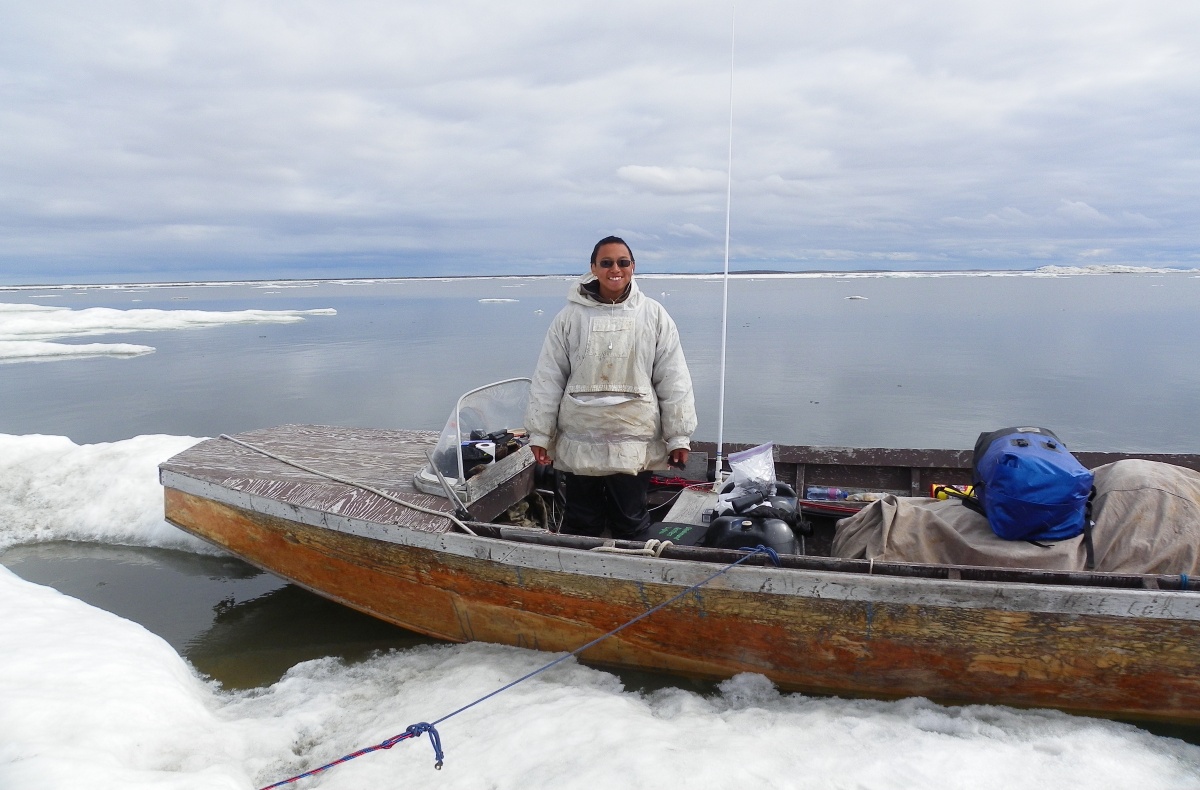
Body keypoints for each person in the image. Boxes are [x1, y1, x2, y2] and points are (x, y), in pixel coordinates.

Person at [524, 236, 697, 539]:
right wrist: (540, 433)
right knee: (581, 522)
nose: (615, 269)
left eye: (622, 262)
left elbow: (673, 379)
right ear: (593, 268)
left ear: (633, 267)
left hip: (635, 440)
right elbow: (548, 378)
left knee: (630, 521)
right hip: (580, 439)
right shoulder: (569, 318)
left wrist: (678, 436)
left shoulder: (654, 315)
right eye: (606, 263)